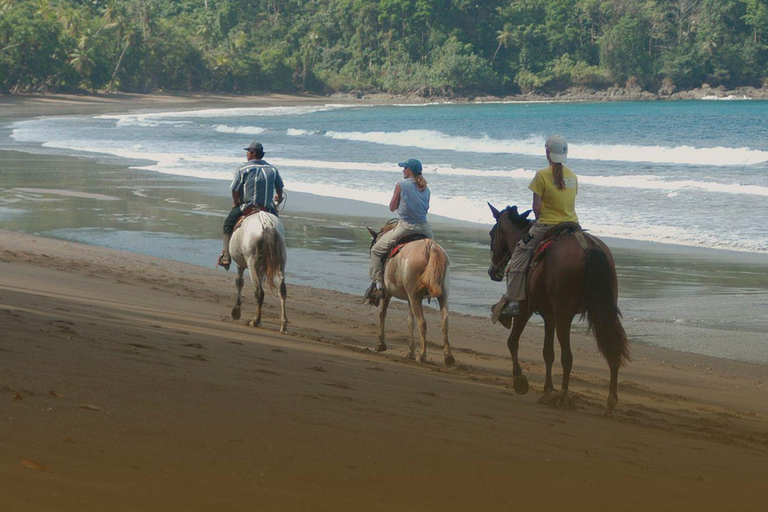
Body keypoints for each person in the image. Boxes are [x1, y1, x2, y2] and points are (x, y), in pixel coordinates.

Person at [493, 134, 578, 321]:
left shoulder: (541, 175)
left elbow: (537, 208)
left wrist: (540, 221)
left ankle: (514, 301)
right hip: (573, 224)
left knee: (519, 253)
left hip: (547, 225)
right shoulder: (573, 176)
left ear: (548, 153)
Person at [364, 158, 434, 304]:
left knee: (376, 251)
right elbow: (425, 209)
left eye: (404, 168)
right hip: (425, 227)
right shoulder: (426, 188)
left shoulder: (400, 185)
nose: (402, 170)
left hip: (406, 227)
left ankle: (379, 286)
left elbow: (392, 207)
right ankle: (433, 283)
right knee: (435, 254)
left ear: (409, 171)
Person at [217, 141, 284, 270]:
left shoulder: (243, 169)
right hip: (268, 208)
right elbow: (280, 187)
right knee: (278, 227)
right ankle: (279, 253)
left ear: (253, 153)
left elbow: (235, 190)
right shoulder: (272, 169)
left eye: (248, 151)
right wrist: (278, 198)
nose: (247, 154)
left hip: (247, 207)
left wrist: (236, 204)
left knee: (228, 224)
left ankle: (226, 255)